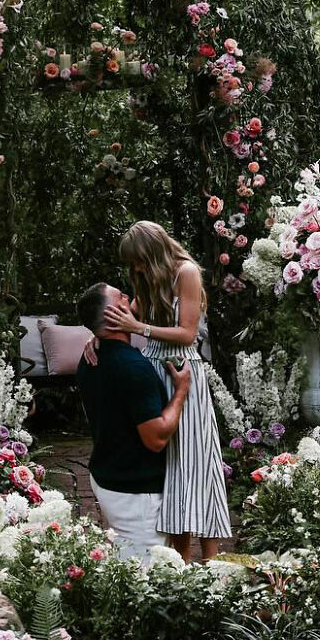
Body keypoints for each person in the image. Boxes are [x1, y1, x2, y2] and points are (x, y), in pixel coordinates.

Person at [85, 221, 232, 562]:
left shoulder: (187, 273)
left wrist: (141, 329)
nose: (134, 269)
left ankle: (211, 562)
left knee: (197, 464)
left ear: (151, 253)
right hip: (153, 370)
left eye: (137, 261)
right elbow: (123, 316)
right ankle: (178, 559)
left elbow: (188, 334)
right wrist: (96, 336)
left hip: (181, 370)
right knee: (171, 470)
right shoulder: (147, 277)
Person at [76, 281, 191, 563]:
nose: (130, 297)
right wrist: (180, 392)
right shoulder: (132, 367)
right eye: (122, 296)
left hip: (108, 476)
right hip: (134, 490)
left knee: (125, 561)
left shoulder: (90, 357)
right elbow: (156, 438)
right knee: (145, 578)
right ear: (115, 313)